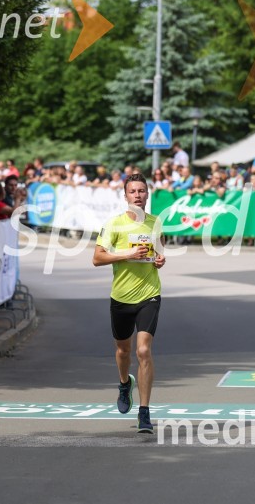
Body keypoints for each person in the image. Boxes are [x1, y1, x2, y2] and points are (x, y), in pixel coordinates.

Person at [92, 173, 166, 434]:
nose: (137, 195)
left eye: (142, 191)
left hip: (149, 293)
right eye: (133, 191)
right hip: (121, 296)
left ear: (147, 195)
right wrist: (127, 254)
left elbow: (160, 251)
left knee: (143, 351)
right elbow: (97, 258)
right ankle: (125, 383)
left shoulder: (156, 223)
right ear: (125, 196)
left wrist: (160, 260)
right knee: (123, 351)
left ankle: (144, 413)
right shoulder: (114, 224)